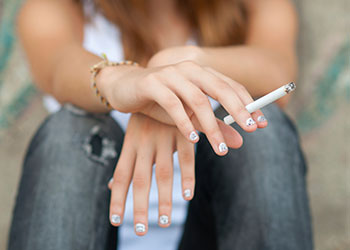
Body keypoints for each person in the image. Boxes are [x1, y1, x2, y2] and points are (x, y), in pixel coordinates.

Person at [8, 0, 313, 249]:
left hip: (211, 236)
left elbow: (278, 71)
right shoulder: (56, 9)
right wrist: (128, 85)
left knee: (262, 125)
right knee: (69, 131)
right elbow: (59, 69)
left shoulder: (253, 6)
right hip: (91, 235)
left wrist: (176, 64)